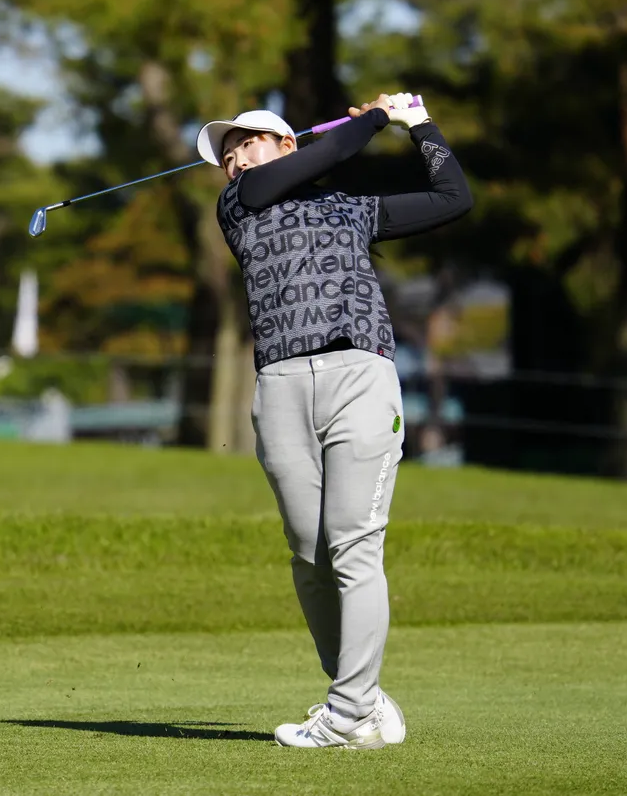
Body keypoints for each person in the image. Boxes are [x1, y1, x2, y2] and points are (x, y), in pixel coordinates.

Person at [196, 92, 472, 749]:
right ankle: (362, 698)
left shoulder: (354, 209)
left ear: (287, 143)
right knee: (309, 554)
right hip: (281, 386)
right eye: (228, 156)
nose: (236, 161)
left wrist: (418, 124)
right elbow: (330, 152)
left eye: (248, 144)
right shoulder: (240, 203)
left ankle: (346, 712)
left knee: (353, 543)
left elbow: (453, 198)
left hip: (361, 378)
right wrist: (372, 119)